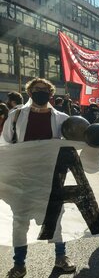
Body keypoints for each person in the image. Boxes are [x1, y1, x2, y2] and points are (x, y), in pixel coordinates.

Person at [1, 78, 75, 278]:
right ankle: (19, 264)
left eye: (44, 89)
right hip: (22, 178)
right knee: (20, 220)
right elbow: (6, 144)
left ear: (51, 93)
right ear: (29, 92)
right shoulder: (15, 116)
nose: (40, 92)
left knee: (56, 218)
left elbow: (71, 143)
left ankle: (61, 257)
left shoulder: (61, 118)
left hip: (51, 176)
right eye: (36, 89)